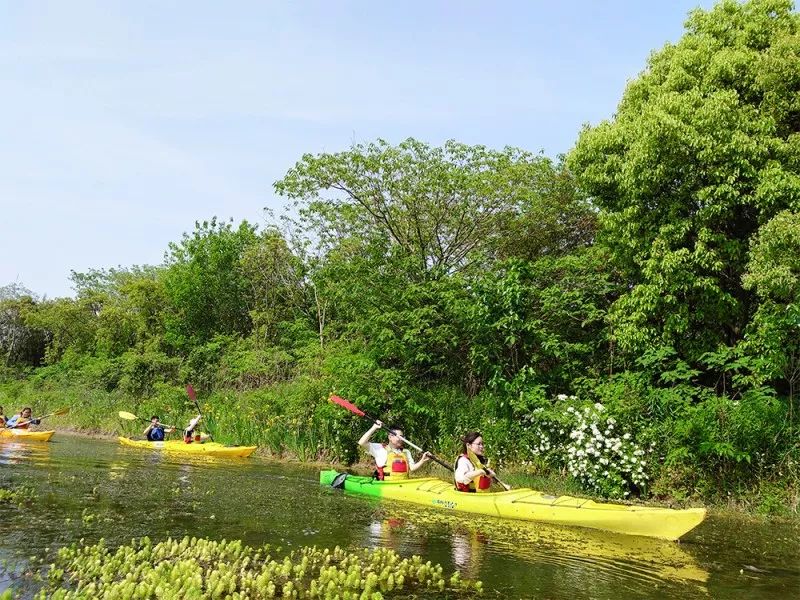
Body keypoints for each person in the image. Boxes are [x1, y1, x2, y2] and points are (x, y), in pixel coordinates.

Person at [358, 420, 431, 480]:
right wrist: (374, 427)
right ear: (390, 437)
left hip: (403, 484)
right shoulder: (380, 449)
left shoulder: (406, 452)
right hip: (386, 485)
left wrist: (422, 460)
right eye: (398, 436)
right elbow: (362, 442)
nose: (400, 439)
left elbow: (412, 468)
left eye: (402, 437)